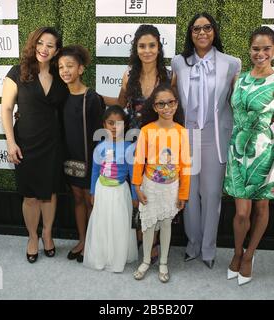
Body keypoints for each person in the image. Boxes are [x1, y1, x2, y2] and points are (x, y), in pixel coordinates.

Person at [223, 26, 274, 285]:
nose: (260, 53)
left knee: (261, 206)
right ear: (249, 49)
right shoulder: (238, 79)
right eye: (256, 48)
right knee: (241, 212)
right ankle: (236, 252)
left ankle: (249, 255)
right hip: (238, 150)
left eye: (266, 48)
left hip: (264, 153)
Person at [171, 13, 241, 269]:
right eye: (196, 28)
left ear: (214, 31)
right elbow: (170, 96)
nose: (202, 32)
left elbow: (237, 101)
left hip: (215, 136)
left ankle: (209, 249)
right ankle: (192, 245)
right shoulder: (179, 62)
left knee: (211, 194)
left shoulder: (232, 63)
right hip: (187, 136)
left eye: (207, 27)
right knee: (188, 194)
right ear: (190, 33)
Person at [103, 24, 176, 264]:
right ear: (136, 48)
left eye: (152, 45)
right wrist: (92, 96)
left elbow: (174, 108)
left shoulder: (168, 76)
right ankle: (137, 238)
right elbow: (121, 106)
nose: (147, 50)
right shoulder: (128, 75)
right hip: (133, 141)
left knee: (156, 189)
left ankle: (154, 244)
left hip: (160, 143)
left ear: (159, 48)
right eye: (142, 46)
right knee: (138, 190)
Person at [1, 27, 69, 263]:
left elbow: (79, 96)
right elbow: (7, 109)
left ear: (56, 50)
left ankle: (47, 234)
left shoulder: (60, 75)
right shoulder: (17, 72)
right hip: (26, 144)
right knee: (30, 196)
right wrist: (11, 142)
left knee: (49, 193)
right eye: (41, 43)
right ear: (33, 43)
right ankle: (32, 237)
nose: (44, 49)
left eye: (50, 45)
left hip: (53, 143)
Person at [132, 84, 190, 283]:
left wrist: (183, 193)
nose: (167, 107)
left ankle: (163, 261)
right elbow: (139, 159)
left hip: (171, 189)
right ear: (155, 107)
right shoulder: (147, 131)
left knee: (166, 224)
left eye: (170, 102)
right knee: (148, 224)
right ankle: (146, 260)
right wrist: (137, 186)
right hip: (151, 187)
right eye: (161, 104)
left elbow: (185, 165)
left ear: (176, 104)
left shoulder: (182, 132)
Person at [57, 45, 105, 263]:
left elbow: (100, 134)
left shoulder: (92, 97)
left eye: (70, 66)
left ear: (81, 69)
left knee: (90, 200)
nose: (65, 71)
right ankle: (82, 239)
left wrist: (99, 164)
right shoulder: (59, 97)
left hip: (89, 160)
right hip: (69, 158)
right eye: (60, 67)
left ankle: (94, 242)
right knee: (77, 199)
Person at [83, 106, 138, 272]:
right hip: (102, 190)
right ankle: (102, 255)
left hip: (120, 192)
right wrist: (92, 191)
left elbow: (132, 173)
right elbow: (94, 170)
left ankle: (117, 258)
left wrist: (135, 195)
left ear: (125, 126)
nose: (115, 127)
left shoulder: (129, 147)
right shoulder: (99, 147)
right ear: (104, 125)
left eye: (119, 123)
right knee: (102, 222)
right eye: (110, 123)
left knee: (119, 223)